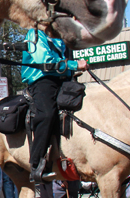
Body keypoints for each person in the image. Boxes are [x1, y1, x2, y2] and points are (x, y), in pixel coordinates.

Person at [22, 23, 88, 184]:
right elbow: (45, 62)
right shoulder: (36, 34)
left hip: (63, 79)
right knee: (47, 114)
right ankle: (37, 164)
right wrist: (74, 64)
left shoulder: (61, 36)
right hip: (42, 80)